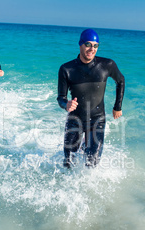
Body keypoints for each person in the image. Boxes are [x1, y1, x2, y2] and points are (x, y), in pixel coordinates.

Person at [57, 29, 125, 168]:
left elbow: (121, 81)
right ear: (80, 44)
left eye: (95, 45)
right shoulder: (67, 69)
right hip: (75, 119)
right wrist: (66, 105)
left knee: (92, 162)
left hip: (97, 119)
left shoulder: (107, 65)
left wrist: (117, 107)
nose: (91, 49)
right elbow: (61, 98)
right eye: (88, 44)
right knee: (68, 161)